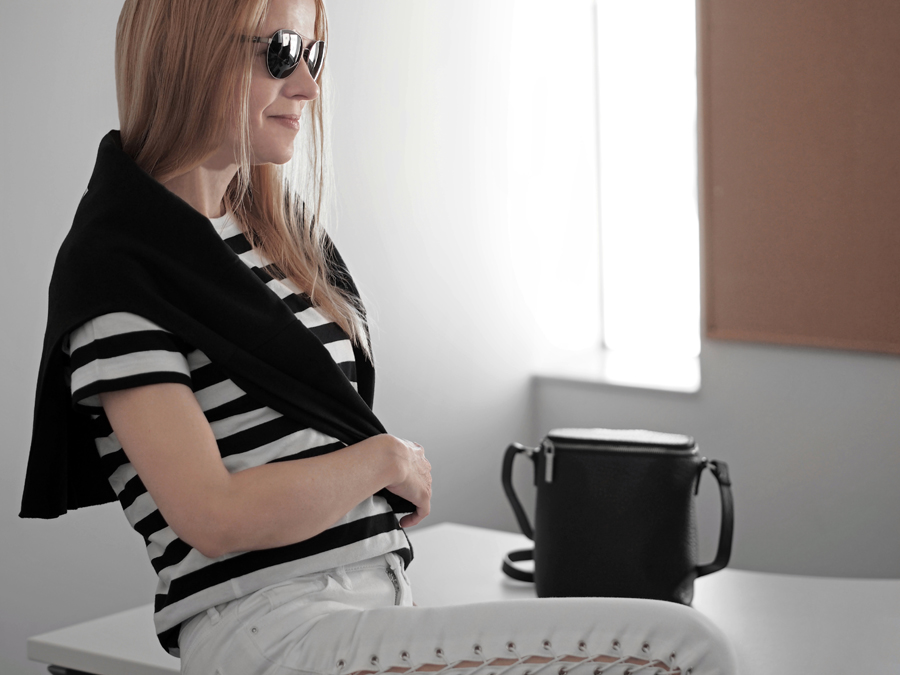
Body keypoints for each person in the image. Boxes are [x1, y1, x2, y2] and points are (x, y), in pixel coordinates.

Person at [20, 0, 738, 673]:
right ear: (188, 54)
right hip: (273, 629)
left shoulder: (274, 238)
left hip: (363, 607)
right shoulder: (116, 266)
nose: (306, 84)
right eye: (278, 52)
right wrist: (383, 459)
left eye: (315, 54)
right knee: (681, 648)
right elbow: (212, 514)